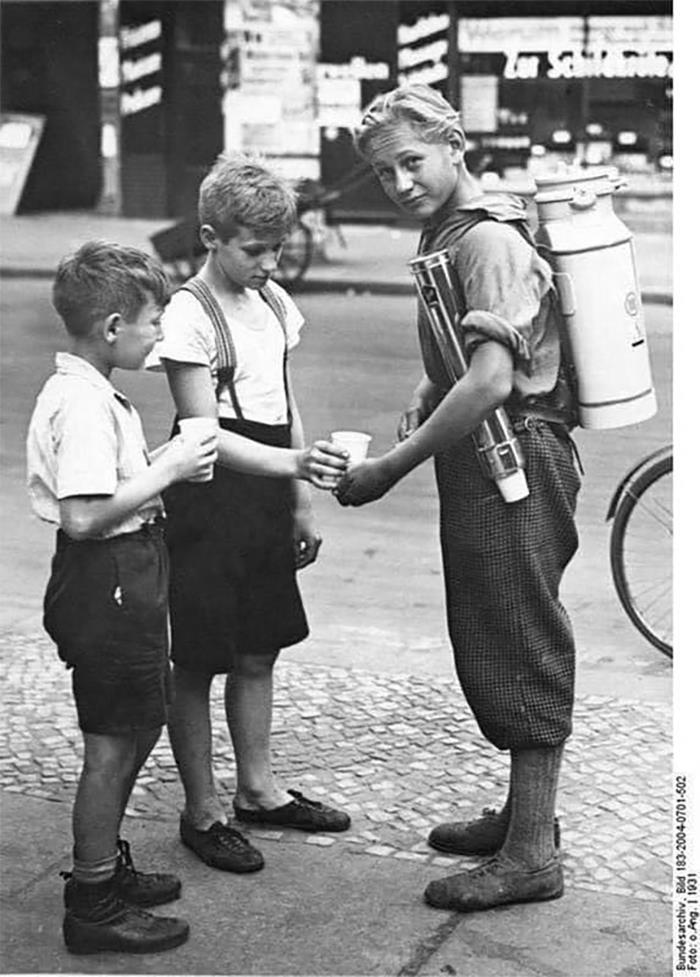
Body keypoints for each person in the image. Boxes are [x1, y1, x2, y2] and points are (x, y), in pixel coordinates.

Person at [336, 84, 582, 914]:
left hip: (516, 458)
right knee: (494, 624)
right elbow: (467, 353)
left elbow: (490, 379)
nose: (400, 182)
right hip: (489, 456)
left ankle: (530, 857)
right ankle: (527, 819)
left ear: (455, 145)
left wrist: (390, 467)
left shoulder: (487, 241)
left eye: (413, 161)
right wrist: (425, 379)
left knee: (519, 635)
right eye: (382, 173)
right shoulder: (455, 233)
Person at [148, 152, 351, 876]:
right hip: (205, 491)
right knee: (198, 655)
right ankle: (202, 808)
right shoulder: (187, 314)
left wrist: (298, 497)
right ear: (209, 236)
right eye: (254, 249)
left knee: (258, 646)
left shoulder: (270, 304)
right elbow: (202, 430)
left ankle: (259, 788)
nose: (269, 263)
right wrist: (293, 466)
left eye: (278, 249)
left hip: (265, 487)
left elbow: (284, 400)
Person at [26, 241, 218, 954]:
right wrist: (169, 467)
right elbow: (82, 514)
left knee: (139, 719)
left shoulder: (92, 389)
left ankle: (103, 860)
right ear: (112, 327)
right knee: (113, 739)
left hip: (125, 570)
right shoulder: (81, 403)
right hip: (106, 575)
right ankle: (94, 900)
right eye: (153, 322)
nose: (160, 336)